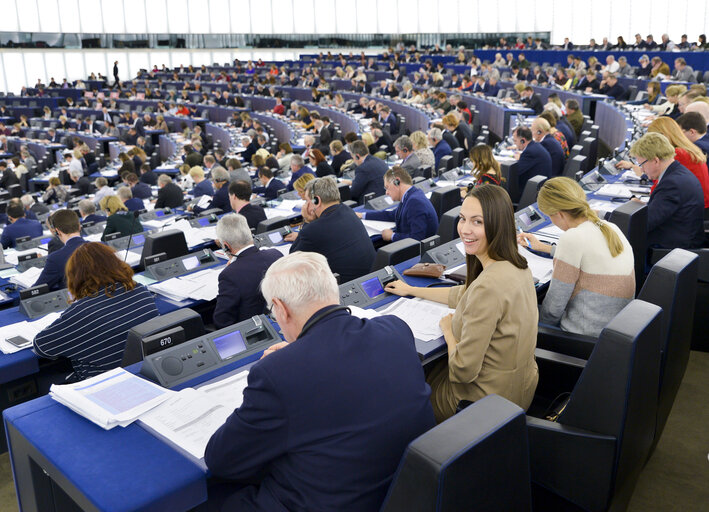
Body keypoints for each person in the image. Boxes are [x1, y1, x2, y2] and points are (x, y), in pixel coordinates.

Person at [204, 251, 435, 511]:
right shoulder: (396, 329)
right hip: (402, 491)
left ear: (280, 308)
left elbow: (221, 460)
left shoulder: (277, 374)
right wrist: (294, 357)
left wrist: (284, 365)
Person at [385, 185, 538, 422]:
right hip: (518, 390)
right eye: (463, 219)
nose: (465, 229)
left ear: (498, 224)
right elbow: (465, 295)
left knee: (400, 390)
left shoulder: (488, 286)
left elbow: (463, 370)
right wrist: (411, 290)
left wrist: (448, 330)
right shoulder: (518, 266)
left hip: (482, 405)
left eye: (477, 222)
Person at [517, 178, 635, 336]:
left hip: (583, 336)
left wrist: (541, 332)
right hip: (612, 330)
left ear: (559, 214)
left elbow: (553, 309)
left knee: (518, 315)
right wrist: (544, 247)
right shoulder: (609, 227)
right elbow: (588, 255)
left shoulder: (572, 238)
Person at [34, 243, 159, 381]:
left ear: (76, 276)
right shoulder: (141, 290)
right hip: (144, 373)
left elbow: (42, 347)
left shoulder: (82, 311)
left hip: (101, 384)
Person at [290, 177, 375, 282]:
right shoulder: (348, 210)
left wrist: (307, 221)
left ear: (317, 200)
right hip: (369, 276)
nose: (306, 205)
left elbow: (292, 259)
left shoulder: (313, 229)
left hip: (343, 286)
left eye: (307, 201)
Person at [629, 133, 704, 250]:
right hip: (681, 238)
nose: (642, 169)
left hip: (671, 251)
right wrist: (644, 207)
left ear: (655, 161)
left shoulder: (672, 184)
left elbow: (644, 223)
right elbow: (663, 210)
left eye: (642, 164)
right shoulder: (678, 172)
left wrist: (605, 216)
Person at [212, 214, 282, 329]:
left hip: (251, 333)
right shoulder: (276, 255)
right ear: (250, 235)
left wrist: (232, 269)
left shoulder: (229, 275)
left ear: (226, 246)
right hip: (278, 323)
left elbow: (222, 321)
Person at [357, 166, 439, 242]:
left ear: (397, 181)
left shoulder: (414, 202)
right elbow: (392, 215)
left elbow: (417, 238)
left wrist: (392, 236)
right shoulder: (410, 195)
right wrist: (363, 215)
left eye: (387, 187)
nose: (386, 192)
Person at [33, 210, 86, 291]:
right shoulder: (102, 246)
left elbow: (37, 288)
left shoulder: (55, 258)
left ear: (57, 231)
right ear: (79, 226)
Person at [513, 126, 552, 191]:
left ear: (523, 141)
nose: (515, 144)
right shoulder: (535, 146)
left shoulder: (529, 152)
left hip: (531, 191)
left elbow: (515, 172)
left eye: (515, 141)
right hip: (540, 186)